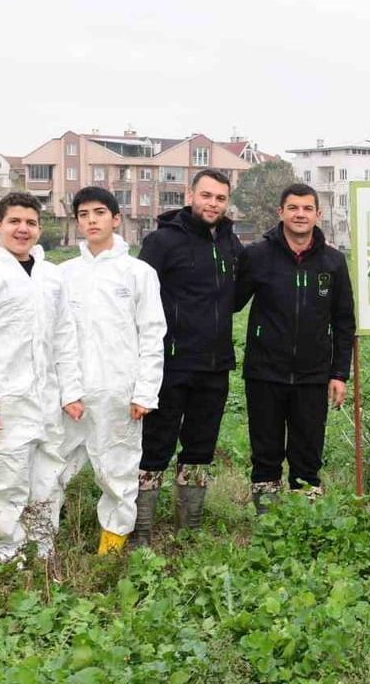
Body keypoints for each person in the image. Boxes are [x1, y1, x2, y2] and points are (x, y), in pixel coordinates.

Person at [0, 192, 84, 565]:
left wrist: (70, 391)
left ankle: (41, 550)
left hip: (45, 402)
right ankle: (3, 559)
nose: (23, 229)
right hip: (1, 405)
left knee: (46, 480)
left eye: (31, 223)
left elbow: (64, 338)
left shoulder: (50, 277)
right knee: (0, 485)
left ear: (40, 228)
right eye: (15, 222)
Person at [134, 168, 242, 546]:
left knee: (200, 448)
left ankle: (188, 531)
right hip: (169, 364)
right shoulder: (162, 242)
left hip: (214, 365)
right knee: (155, 447)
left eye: (220, 198)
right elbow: (139, 300)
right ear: (190, 195)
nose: (213, 204)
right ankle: (142, 532)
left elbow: (238, 295)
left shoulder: (231, 244)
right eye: (206, 196)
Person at [56, 187, 166, 555]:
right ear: (76, 222)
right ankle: (42, 539)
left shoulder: (138, 273)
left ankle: (112, 545)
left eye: (99, 212)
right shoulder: (63, 275)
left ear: (116, 218)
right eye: (84, 214)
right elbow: (56, 338)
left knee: (117, 470)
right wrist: (65, 390)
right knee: (51, 467)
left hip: (119, 392)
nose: (91, 220)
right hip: (69, 392)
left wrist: (144, 392)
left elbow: (152, 334)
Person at [234, 183, 355, 513]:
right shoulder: (257, 256)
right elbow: (231, 301)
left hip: (313, 376)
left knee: (307, 454)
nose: (300, 214)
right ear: (281, 213)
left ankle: (304, 523)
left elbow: (344, 321)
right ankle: (268, 524)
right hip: (264, 372)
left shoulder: (332, 261)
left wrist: (339, 374)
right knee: (265, 453)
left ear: (318, 214)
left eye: (307, 208)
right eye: (293, 208)